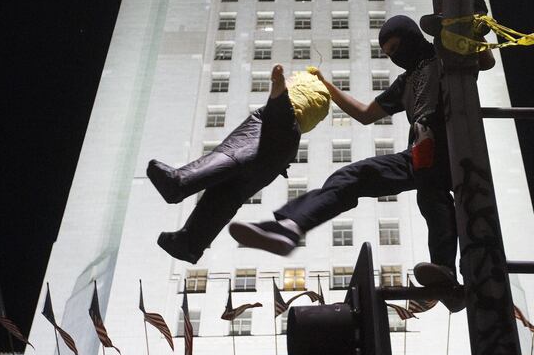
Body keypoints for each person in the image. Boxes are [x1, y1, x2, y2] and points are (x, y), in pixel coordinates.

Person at [230, 16, 492, 311]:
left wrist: (473, 32)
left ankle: (445, 274)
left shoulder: (442, 53)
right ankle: (291, 225)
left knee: (432, 199)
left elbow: (484, 62)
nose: (394, 56)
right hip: (420, 149)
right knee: (352, 176)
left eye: (396, 47)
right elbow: (366, 114)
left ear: (411, 37)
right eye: (389, 54)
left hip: (454, 141)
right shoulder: (404, 82)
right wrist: (326, 86)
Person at [152, 65, 330, 265]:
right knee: (227, 195)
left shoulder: (286, 107)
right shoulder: (311, 115)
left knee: (230, 155)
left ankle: (180, 182)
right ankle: (190, 243)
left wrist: (278, 88)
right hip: (281, 157)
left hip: (273, 126)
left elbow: (284, 106)